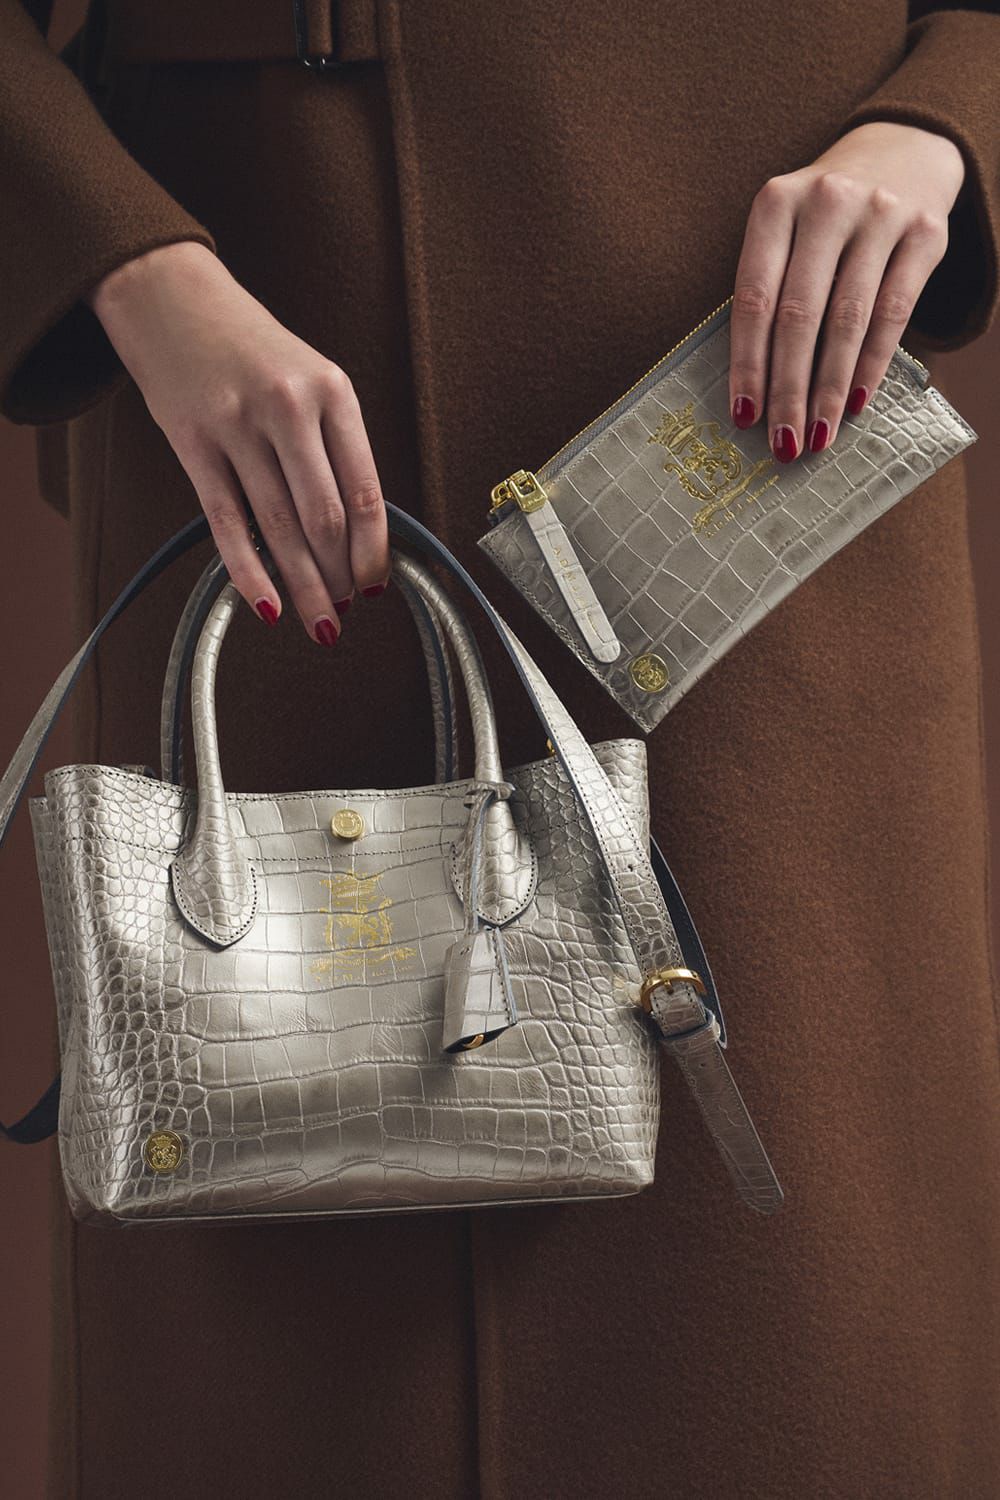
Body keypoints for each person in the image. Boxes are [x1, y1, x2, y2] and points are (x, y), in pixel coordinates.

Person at [2, 2, 998, 1496]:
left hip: (761, 430)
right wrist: (125, 262)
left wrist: (946, 118)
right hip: (262, 383)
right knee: (290, 1354)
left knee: (795, 1333)